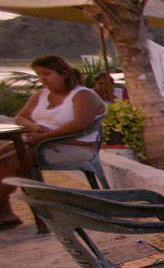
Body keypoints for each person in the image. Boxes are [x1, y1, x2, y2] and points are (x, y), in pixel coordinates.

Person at [0, 55, 106, 229]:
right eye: (39, 75)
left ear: (63, 72)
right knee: (3, 155)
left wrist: (45, 137)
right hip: (41, 143)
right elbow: (20, 117)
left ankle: (5, 212)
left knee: (11, 161)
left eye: (46, 74)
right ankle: (4, 210)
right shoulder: (42, 94)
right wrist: (33, 126)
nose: (42, 79)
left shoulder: (83, 95)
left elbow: (81, 123)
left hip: (74, 146)